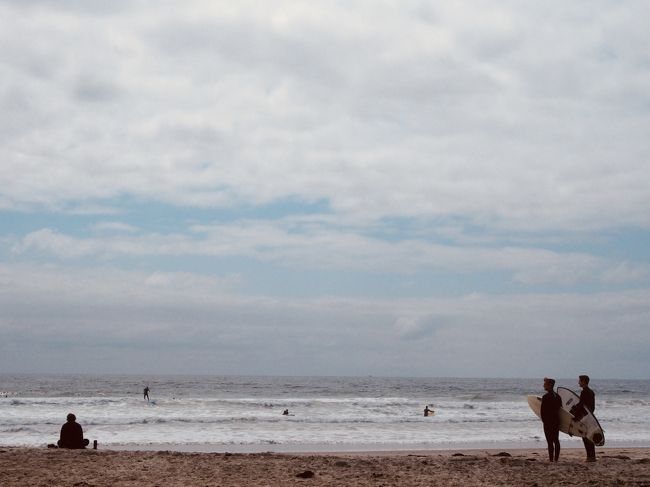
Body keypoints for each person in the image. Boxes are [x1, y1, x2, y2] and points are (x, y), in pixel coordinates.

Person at [541, 377, 561, 462]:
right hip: (556, 421)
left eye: (545, 384)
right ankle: (556, 459)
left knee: (549, 441)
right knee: (556, 440)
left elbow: (542, 411)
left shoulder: (545, 397)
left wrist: (544, 421)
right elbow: (561, 409)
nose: (543, 386)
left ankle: (551, 460)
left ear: (549, 385)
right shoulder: (558, 396)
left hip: (548, 422)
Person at [577, 375, 597, 462]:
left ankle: (589, 457)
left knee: (585, 437)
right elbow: (592, 407)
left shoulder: (584, 392)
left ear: (584, 382)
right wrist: (590, 414)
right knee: (590, 436)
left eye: (580, 381)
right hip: (590, 417)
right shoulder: (591, 392)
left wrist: (576, 416)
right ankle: (592, 456)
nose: (578, 382)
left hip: (584, 417)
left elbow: (581, 405)